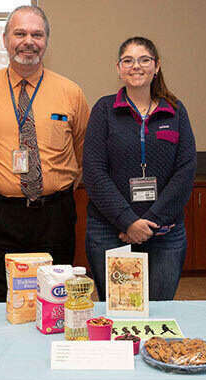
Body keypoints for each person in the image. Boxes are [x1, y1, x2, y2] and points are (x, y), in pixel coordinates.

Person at [0, 5, 90, 302]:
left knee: (54, 301)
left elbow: (81, 149)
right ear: (6, 40)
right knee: (0, 301)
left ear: (46, 41)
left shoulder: (71, 92)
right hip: (1, 215)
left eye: (37, 34)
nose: (28, 41)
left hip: (55, 216)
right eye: (20, 33)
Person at [83, 37, 196, 301]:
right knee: (118, 309)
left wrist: (151, 221)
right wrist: (128, 221)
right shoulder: (104, 110)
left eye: (144, 60)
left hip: (166, 232)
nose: (137, 66)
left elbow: (186, 170)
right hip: (110, 230)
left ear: (156, 67)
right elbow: (94, 171)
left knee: (159, 311)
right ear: (118, 68)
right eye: (128, 60)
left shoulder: (175, 111)